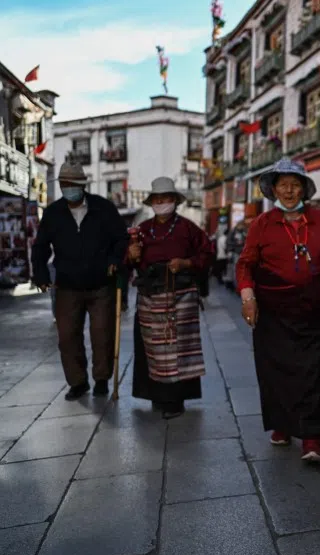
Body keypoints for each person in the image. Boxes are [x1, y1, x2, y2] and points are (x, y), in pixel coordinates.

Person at [236, 159, 320, 460]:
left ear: (303, 189)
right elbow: (245, 264)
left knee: (315, 373)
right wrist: (248, 298)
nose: (289, 190)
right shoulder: (262, 224)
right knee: (276, 372)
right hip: (274, 313)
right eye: (283, 185)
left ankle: (312, 439)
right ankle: (281, 426)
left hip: (314, 311)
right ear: (273, 189)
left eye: (295, 185)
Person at [31, 161, 128, 400]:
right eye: (64, 184)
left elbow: (121, 238)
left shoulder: (103, 208)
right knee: (67, 337)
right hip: (67, 285)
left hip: (101, 284)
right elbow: (40, 246)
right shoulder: (53, 213)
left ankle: (102, 379)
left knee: (102, 334)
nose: (68, 188)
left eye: (72, 184)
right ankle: (78, 382)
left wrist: (115, 258)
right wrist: (41, 274)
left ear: (81, 185)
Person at [127, 177, 214, 419]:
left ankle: (175, 400)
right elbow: (128, 262)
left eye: (166, 198)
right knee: (152, 349)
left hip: (180, 295)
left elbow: (208, 253)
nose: (162, 202)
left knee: (179, 349)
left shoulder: (188, 228)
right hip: (150, 296)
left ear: (175, 201)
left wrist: (186, 262)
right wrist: (131, 254)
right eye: (157, 199)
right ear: (151, 202)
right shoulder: (142, 230)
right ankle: (157, 397)